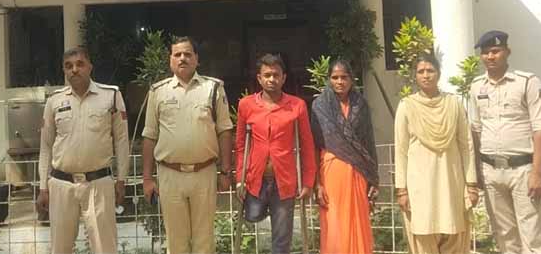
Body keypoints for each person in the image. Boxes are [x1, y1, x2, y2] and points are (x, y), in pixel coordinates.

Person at [141, 36, 234, 254]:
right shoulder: (158, 91)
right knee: (176, 241)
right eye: (177, 54)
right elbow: (149, 135)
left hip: (204, 173)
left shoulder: (213, 88)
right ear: (170, 60)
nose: (182, 58)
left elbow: (224, 130)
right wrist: (147, 178)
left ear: (197, 59)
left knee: (204, 240)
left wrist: (225, 171)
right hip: (170, 174)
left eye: (188, 54)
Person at [37, 46, 129, 254]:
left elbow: (122, 141)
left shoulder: (111, 96)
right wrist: (43, 187)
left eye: (80, 64)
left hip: (98, 183)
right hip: (61, 185)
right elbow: (46, 146)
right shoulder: (54, 101)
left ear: (90, 67)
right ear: (64, 70)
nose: (74, 70)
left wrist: (122, 180)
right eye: (68, 66)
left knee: (105, 248)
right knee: (60, 249)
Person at [468, 30, 541, 254]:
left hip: (522, 169)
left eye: (495, 51)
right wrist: (476, 171)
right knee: (504, 235)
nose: (490, 57)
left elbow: (540, 129)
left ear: (507, 52)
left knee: (531, 234)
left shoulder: (527, 82)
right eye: (485, 53)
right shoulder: (476, 86)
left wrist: (538, 173)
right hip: (490, 170)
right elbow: (475, 130)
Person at [395, 53, 478, 254]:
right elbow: (401, 150)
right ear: (415, 76)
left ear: (439, 74)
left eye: (430, 70)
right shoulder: (407, 106)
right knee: (423, 233)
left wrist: (471, 184)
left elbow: (466, 145)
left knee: (454, 232)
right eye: (421, 71)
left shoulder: (453, 104)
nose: (426, 75)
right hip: (419, 185)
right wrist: (401, 190)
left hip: (451, 182)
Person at [235, 53, 316, 254]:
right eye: (267, 75)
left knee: (281, 241)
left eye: (276, 75)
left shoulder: (297, 106)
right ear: (259, 78)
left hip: (284, 181)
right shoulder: (246, 105)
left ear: (284, 78)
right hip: (255, 179)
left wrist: (307, 182)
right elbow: (241, 145)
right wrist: (239, 179)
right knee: (252, 217)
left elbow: (306, 145)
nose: (272, 79)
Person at [309, 59, 378, 254]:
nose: (340, 81)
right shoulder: (320, 106)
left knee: (358, 220)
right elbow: (315, 145)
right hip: (331, 173)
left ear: (351, 79)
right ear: (329, 79)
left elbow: (368, 142)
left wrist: (373, 178)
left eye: (344, 77)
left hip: (358, 172)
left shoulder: (361, 105)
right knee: (334, 223)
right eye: (335, 77)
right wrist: (317, 184)